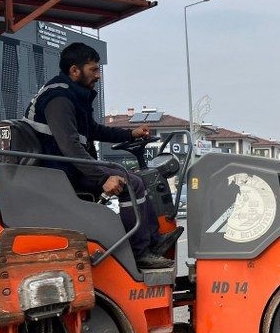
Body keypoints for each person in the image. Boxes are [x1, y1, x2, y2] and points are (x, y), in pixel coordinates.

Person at [22, 42, 181, 269]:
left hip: (68, 166)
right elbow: (70, 147)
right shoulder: (59, 99)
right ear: (74, 70)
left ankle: (153, 241)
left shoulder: (73, 95)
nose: (98, 75)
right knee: (130, 183)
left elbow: (93, 130)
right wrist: (102, 177)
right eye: (93, 70)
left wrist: (130, 133)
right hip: (58, 171)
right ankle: (139, 253)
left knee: (130, 177)